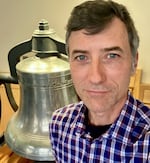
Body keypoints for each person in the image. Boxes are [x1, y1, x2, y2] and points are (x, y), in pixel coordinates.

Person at [49, 0, 150, 162]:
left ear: (134, 63)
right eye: (81, 57)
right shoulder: (59, 124)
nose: (96, 77)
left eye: (111, 56)